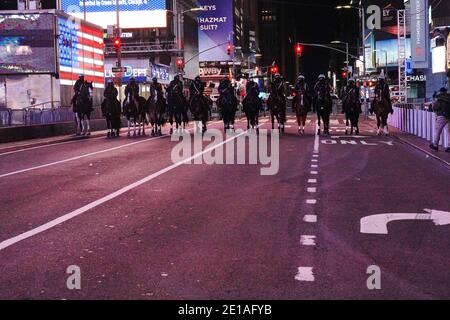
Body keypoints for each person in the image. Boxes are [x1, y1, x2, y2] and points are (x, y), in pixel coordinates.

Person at [429, 87, 450, 152]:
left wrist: (433, 100)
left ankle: (435, 145)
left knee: (438, 131)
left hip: (441, 116)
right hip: (449, 116)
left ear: (440, 92)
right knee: (449, 132)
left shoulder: (439, 98)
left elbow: (435, 107)